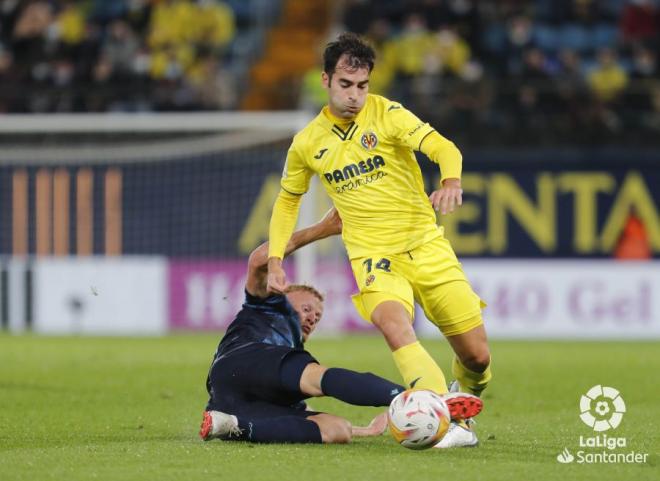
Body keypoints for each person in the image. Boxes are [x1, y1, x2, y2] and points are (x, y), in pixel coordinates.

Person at [266, 33, 492, 448]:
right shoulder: (307, 143)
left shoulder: (389, 115)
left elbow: (444, 147)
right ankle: (440, 417)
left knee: (477, 356)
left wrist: (451, 181)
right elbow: (287, 202)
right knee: (393, 324)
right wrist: (277, 258)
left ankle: (464, 397)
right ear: (325, 81)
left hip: (426, 245)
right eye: (345, 85)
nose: (355, 95)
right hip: (372, 256)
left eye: (362, 86)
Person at [200, 208, 482, 444]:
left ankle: (232, 426)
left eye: (317, 316)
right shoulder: (264, 305)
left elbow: (299, 410)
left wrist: (368, 429)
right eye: (307, 308)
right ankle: (416, 397)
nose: (312, 317)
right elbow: (258, 260)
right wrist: (323, 229)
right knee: (315, 377)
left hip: (231, 403)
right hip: (238, 363)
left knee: (337, 430)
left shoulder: (287, 353)